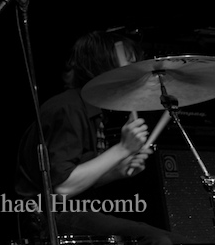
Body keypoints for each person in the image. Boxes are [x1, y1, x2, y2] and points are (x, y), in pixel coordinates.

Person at [14, 30, 195, 245]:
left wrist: (117, 171)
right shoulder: (68, 108)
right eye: (129, 64)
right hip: (47, 218)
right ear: (103, 65)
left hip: (74, 211)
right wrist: (122, 149)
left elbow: (77, 179)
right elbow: (62, 188)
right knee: (157, 240)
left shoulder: (91, 110)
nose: (135, 72)